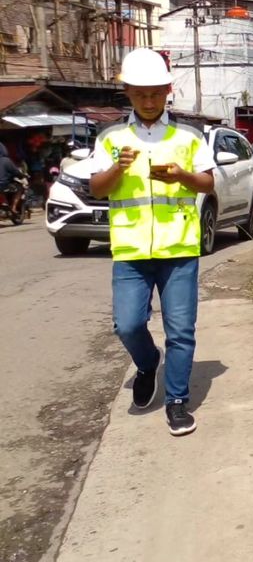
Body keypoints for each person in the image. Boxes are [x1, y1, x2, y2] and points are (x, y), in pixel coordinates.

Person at [88, 48, 216, 436]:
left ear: (167, 91)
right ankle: (147, 364)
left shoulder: (188, 137)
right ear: (127, 92)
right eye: (140, 93)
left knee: (181, 330)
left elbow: (208, 182)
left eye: (155, 93)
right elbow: (97, 188)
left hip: (179, 249)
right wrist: (116, 169)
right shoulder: (110, 138)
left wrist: (182, 176)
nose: (148, 101)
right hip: (130, 251)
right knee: (127, 325)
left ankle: (177, 400)